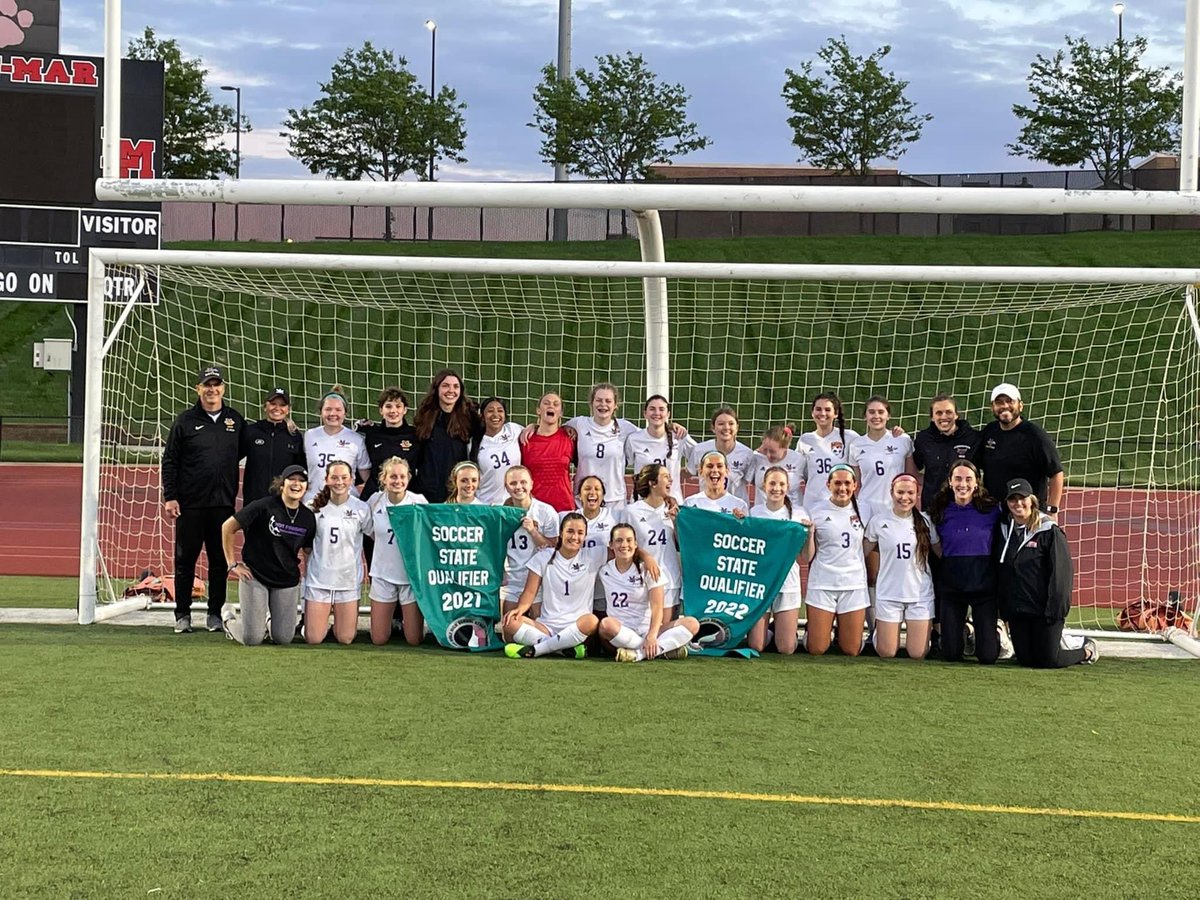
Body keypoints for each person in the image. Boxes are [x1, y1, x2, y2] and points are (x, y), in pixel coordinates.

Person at [161, 364, 245, 634]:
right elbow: (170, 460)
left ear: (223, 388)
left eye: (216, 384)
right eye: (207, 385)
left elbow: (251, 448)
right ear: (198, 389)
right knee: (185, 561)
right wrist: (171, 496)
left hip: (222, 504)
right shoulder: (185, 421)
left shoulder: (235, 420)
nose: (212, 389)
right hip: (190, 505)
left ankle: (215, 613)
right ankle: (182, 614)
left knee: (220, 561)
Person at [996, 478, 1098, 667]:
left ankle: (1086, 649)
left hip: (1044, 611)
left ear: (1032, 500)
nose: (1018, 503)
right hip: (1019, 611)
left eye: (1022, 498)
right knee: (1026, 660)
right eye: (1013, 499)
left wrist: (1055, 610)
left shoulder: (1049, 531)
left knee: (1048, 660)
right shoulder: (1004, 531)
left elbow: (1061, 576)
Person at [219, 464, 316, 646]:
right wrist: (232, 563)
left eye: (302, 481)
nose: (297, 484)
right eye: (292, 480)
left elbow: (308, 551)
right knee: (252, 639)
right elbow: (228, 527)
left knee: (283, 638)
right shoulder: (264, 506)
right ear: (282, 484)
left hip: (286, 579)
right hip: (255, 576)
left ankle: (270, 622)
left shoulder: (308, 517)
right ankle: (229, 618)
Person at [929, 460, 1002, 663]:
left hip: (983, 588)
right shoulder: (939, 510)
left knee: (988, 657)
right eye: (958, 479)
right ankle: (967, 631)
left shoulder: (992, 510)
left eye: (969, 479)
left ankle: (994, 634)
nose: (963, 484)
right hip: (952, 588)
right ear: (950, 482)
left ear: (976, 483)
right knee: (950, 654)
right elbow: (934, 543)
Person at [501, 512, 601, 659]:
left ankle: (539, 649)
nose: (574, 537)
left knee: (591, 621)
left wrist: (647, 558)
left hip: (576, 626)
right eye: (570, 531)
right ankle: (563, 649)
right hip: (546, 626)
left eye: (580, 533)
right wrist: (520, 609)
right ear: (561, 533)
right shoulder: (544, 556)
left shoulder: (593, 555)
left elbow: (626, 551)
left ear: (585, 535)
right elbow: (530, 592)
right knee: (510, 623)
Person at [862, 474, 938, 659]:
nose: (905, 497)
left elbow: (941, 552)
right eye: (900, 492)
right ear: (891, 492)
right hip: (889, 594)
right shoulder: (879, 522)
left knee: (918, 653)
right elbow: (859, 553)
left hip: (919, 594)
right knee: (886, 652)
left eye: (910, 493)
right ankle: (877, 632)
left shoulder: (926, 522)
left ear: (917, 494)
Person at [598, 523, 699, 662]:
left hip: (648, 629)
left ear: (635, 544)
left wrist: (651, 635)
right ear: (611, 545)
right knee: (605, 625)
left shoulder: (648, 569)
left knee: (692, 624)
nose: (624, 544)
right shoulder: (604, 570)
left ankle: (638, 654)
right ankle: (662, 650)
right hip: (621, 631)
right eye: (619, 540)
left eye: (629, 540)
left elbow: (657, 607)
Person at [304, 459, 372, 645]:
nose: (339, 482)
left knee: (345, 638)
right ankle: (311, 621)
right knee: (314, 639)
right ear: (326, 479)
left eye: (344, 477)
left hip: (348, 581)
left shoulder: (361, 508)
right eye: (334, 477)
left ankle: (336, 624)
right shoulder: (313, 507)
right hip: (319, 581)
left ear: (351, 480)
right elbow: (306, 545)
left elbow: (376, 535)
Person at [803, 465, 869, 656]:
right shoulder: (816, 511)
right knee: (817, 648)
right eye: (837, 483)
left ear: (855, 485)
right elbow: (807, 556)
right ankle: (815, 629)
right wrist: (809, 535)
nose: (842, 488)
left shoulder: (865, 509)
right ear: (828, 485)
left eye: (847, 483)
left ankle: (845, 631)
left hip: (853, 584)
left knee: (851, 650)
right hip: (823, 582)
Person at [973, 383, 1064, 518]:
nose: (1004, 406)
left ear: (1020, 405)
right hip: (995, 513)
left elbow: (1056, 473)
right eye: (999, 402)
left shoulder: (1035, 435)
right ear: (992, 407)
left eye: (1010, 401)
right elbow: (973, 467)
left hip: (1028, 513)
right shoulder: (989, 432)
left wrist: (1052, 510)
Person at [748, 466, 812, 655]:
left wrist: (810, 534)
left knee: (786, 648)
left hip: (787, 582)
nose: (777, 488)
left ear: (788, 486)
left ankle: (784, 629)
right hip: (761, 583)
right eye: (772, 483)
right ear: (763, 486)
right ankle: (768, 628)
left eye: (781, 484)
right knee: (756, 646)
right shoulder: (754, 513)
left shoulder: (799, 514)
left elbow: (806, 557)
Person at [366, 457, 428, 646]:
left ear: (408, 478)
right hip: (383, 575)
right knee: (378, 639)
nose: (397, 481)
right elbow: (370, 532)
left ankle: (409, 623)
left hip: (410, 577)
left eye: (402, 476)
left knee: (414, 640)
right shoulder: (374, 501)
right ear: (383, 478)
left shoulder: (418, 502)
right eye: (392, 476)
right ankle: (389, 623)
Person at [621, 464, 683, 622]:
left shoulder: (674, 510)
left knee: (664, 630)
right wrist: (646, 556)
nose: (670, 480)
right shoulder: (631, 512)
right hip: (641, 579)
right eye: (665, 476)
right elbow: (623, 546)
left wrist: (676, 523)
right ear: (652, 483)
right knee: (644, 626)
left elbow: (681, 546)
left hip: (670, 577)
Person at [412, 369, 482, 503]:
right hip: (427, 491)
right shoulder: (425, 416)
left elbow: (492, 430)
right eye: (445, 386)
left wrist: (532, 427)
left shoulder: (469, 417)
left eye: (456, 386)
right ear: (436, 389)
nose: (451, 390)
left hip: (457, 492)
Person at [566, 382, 637, 508]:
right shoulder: (579, 424)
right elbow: (551, 429)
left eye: (608, 401)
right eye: (598, 400)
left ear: (615, 405)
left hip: (614, 499)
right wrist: (534, 426)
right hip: (584, 498)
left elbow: (650, 435)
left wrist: (670, 427)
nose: (603, 404)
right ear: (592, 403)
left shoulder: (625, 427)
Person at [500, 465, 559, 613]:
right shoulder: (500, 513)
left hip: (539, 580)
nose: (519, 487)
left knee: (539, 630)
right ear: (506, 487)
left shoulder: (546, 511)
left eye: (523, 482)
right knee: (509, 628)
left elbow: (554, 547)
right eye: (513, 483)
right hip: (512, 581)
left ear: (531, 483)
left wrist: (533, 532)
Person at [849, 396, 916, 520]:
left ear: (888, 415)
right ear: (865, 416)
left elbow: (910, 475)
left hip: (895, 506)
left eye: (881, 412)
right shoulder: (856, 445)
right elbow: (856, 484)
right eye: (871, 412)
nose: (876, 416)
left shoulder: (902, 440)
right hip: (866, 507)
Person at [912, 393, 982, 512]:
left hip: (966, 506)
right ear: (932, 417)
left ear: (956, 415)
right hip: (932, 507)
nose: (944, 417)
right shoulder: (923, 439)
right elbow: (915, 467)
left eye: (948, 412)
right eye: (938, 413)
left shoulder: (974, 438)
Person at [302, 386, 371, 504]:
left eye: (338, 410)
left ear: (345, 413)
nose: (332, 413)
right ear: (321, 412)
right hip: (313, 501)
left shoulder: (356, 440)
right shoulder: (309, 436)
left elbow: (367, 478)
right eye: (328, 409)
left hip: (346, 503)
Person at [624, 395, 696, 504]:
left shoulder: (679, 436)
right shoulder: (634, 439)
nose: (657, 413)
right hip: (641, 503)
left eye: (661, 409)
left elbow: (700, 456)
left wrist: (688, 471)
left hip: (672, 504)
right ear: (645, 414)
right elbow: (623, 463)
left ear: (668, 414)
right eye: (652, 409)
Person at [240, 386, 305, 505]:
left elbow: (300, 470)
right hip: (253, 501)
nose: (277, 408)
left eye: (282, 405)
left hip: (282, 502)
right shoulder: (251, 432)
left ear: (288, 409)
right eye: (273, 403)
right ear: (265, 406)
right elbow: (233, 456)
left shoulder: (295, 437)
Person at [356, 386, 420, 507]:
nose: (393, 411)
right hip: (376, 495)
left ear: (405, 410)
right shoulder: (372, 434)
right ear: (381, 410)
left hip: (405, 496)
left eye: (398, 406)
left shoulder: (415, 436)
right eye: (388, 406)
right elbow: (364, 465)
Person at [798, 392, 860, 510]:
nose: (822, 413)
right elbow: (801, 472)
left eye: (827, 410)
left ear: (835, 413)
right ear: (812, 413)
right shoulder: (805, 439)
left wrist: (892, 434)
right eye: (818, 409)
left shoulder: (850, 437)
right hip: (812, 503)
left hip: (840, 503)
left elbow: (871, 446)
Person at [523, 392, 576, 512]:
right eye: (546, 403)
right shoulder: (525, 440)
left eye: (556, 404)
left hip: (564, 508)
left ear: (561, 413)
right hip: (534, 509)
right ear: (538, 410)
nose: (550, 406)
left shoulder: (570, 438)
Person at [689, 405, 755, 502]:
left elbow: (753, 480)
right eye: (721, 424)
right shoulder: (699, 450)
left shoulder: (747, 453)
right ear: (713, 428)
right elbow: (689, 472)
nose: (726, 427)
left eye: (731, 423)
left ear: (737, 428)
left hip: (735, 510)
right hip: (708, 507)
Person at [475, 396, 523, 505]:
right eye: (490, 411)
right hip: (486, 504)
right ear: (482, 416)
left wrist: (533, 426)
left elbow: (536, 432)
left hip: (513, 503)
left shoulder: (514, 430)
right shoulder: (474, 443)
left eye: (500, 411)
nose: (495, 415)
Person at [747, 424, 806, 507]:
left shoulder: (800, 460)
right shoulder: (756, 458)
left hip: (792, 514)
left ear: (785, 447)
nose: (768, 455)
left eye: (772, 451)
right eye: (765, 449)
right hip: (762, 515)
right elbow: (747, 481)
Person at [684, 451, 748, 517]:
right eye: (709, 466)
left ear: (726, 471)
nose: (714, 470)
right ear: (701, 471)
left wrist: (741, 522)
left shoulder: (739, 505)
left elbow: (745, 527)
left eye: (719, 466)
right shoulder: (690, 503)